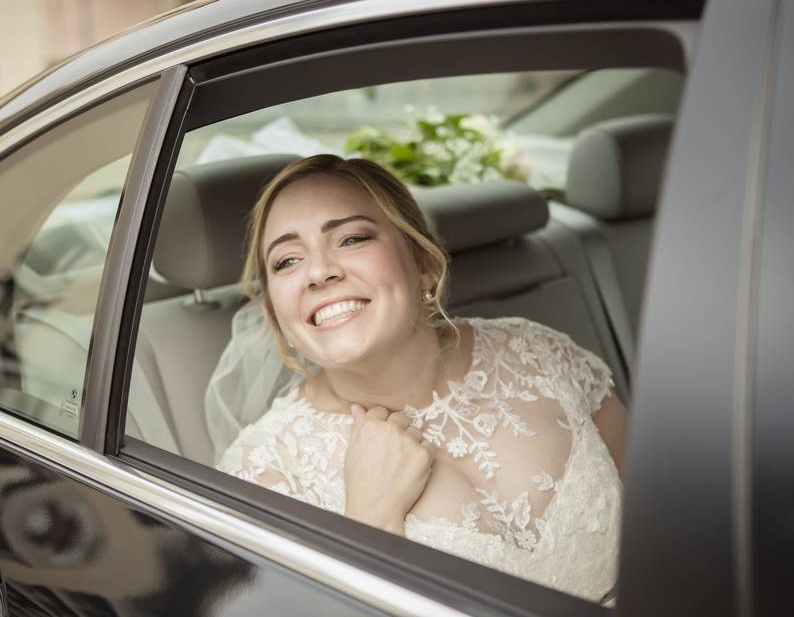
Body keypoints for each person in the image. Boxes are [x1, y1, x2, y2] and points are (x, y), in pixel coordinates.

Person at [215, 154, 627, 602]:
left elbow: (680, 525)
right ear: (276, 309)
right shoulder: (260, 480)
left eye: (351, 238)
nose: (318, 272)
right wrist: (369, 520)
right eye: (287, 261)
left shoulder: (541, 354)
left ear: (424, 263)